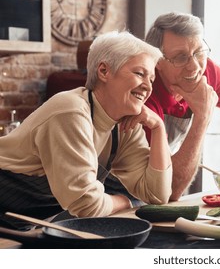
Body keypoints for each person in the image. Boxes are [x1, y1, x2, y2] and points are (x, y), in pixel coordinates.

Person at [0, 30, 172, 230]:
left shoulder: (125, 125)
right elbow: (87, 206)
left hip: (16, 225)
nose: (147, 87)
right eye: (139, 73)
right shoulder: (70, 111)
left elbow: (157, 195)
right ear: (104, 71)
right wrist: (124, 201)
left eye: (151, 79)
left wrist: (159, 127)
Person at [144, 11, 220, 201]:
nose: (194, 67)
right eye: (180, 57)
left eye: (199, 52)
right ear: (157, 61)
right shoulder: (144, 93)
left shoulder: (208, 71)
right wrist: (202, 117)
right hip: (120, 188)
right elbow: (169, 190)